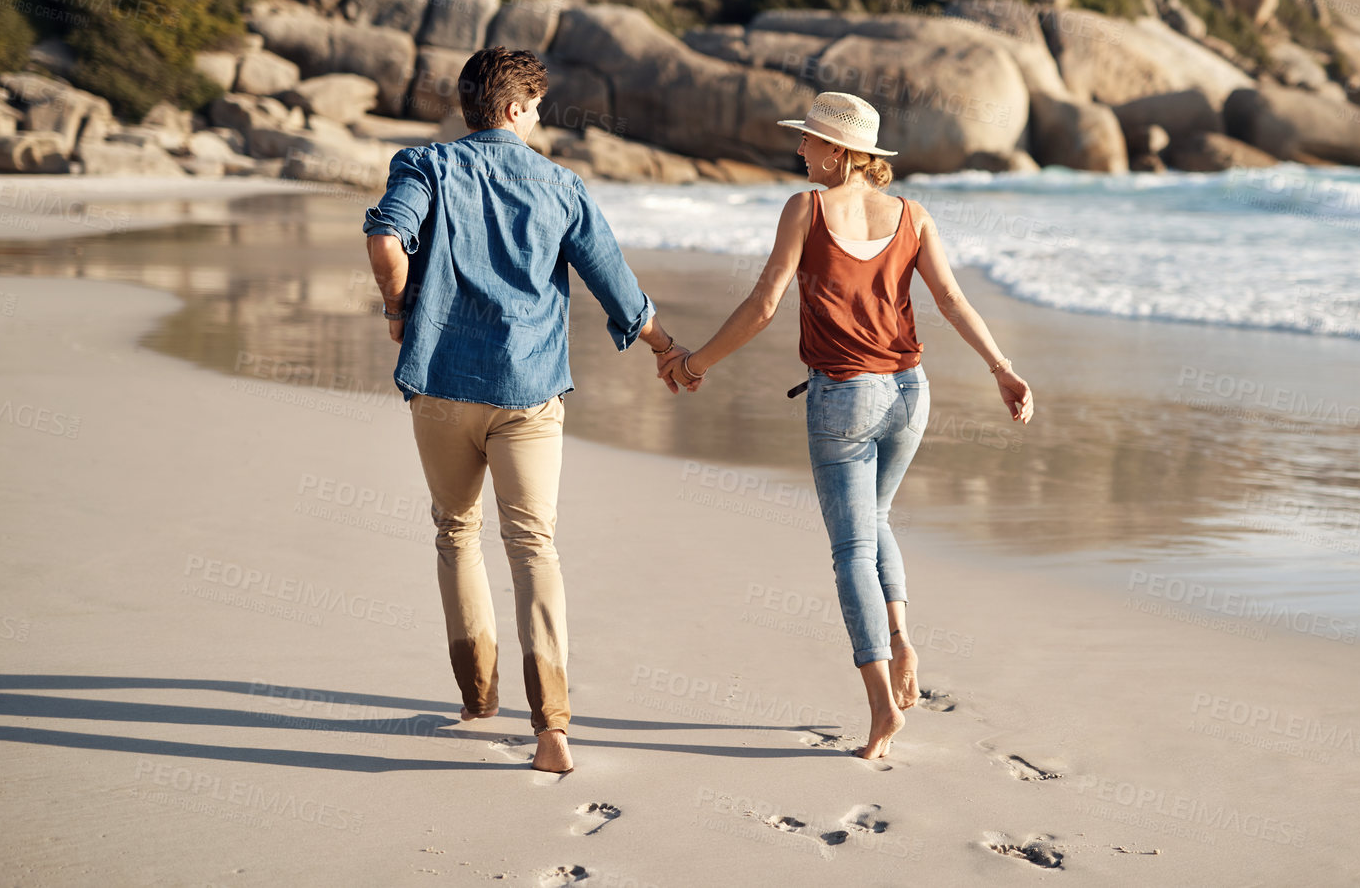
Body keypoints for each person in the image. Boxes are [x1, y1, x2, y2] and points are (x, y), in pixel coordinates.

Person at [659, 92, 1034, 760]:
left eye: (807, 139)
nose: (798, 148)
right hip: (910, 393)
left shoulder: (805, 209)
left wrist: (696, 362)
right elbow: (949, 298)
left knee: (851, 552)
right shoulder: (913, 216)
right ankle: (901, 638)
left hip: (844, 398)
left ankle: (880, 704)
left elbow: (765, 299)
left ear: (837, 150)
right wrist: (1001, 367)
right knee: (877, 519)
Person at [362, 46, 683, 775]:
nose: (538, 120)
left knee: (456, 531)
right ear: (514, 109)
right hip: (528, 392)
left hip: (441, 384)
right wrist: (667, 347)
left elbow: (386, 238)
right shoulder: (561, 184)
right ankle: (551, 731)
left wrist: (396, 309)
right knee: (533, 545)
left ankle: (478, 698)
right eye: (535, 108)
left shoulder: (425, 165)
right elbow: (616, 284)